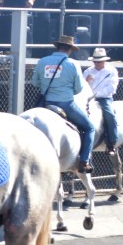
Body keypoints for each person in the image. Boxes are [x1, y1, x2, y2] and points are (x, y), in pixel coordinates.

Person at [34, 35, 95, 173]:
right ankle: (84, 161)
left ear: (57, 47)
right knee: (90, 128)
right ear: (70, 50)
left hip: (46, 103)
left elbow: (35, 82)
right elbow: (79, 88)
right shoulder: (73, 64)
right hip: (66, 104)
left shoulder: (42, 61)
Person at [83, 47, 120, 155]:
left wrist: (96, 94)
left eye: (99, 61)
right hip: (88, 98)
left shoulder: (112, 71)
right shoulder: (88, 71)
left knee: (110, 115)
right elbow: (80, 86)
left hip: (104, 98)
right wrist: (86, 81)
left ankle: (111, 143)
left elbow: (112, 88)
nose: (97, 64)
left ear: (104, 61)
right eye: (95, 61)